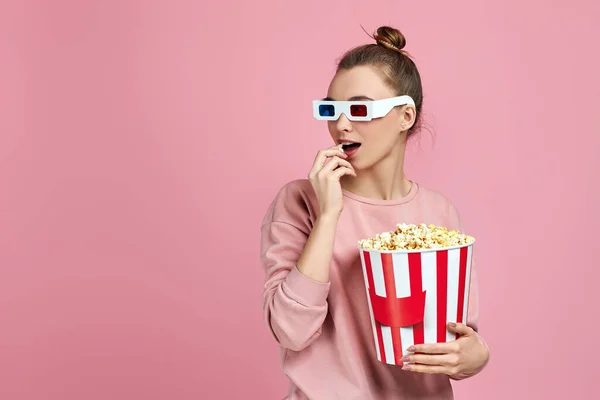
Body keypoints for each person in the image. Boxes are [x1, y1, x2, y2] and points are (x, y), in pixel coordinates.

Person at [259, 26, 490, 400]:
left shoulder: (439, 212)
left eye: (360, 109)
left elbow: (455, 335)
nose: (341, 125)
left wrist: (476, 355)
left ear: (405, 116)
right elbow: (291, 331)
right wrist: (329, 215)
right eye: (331, 109)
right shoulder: (300, 201)